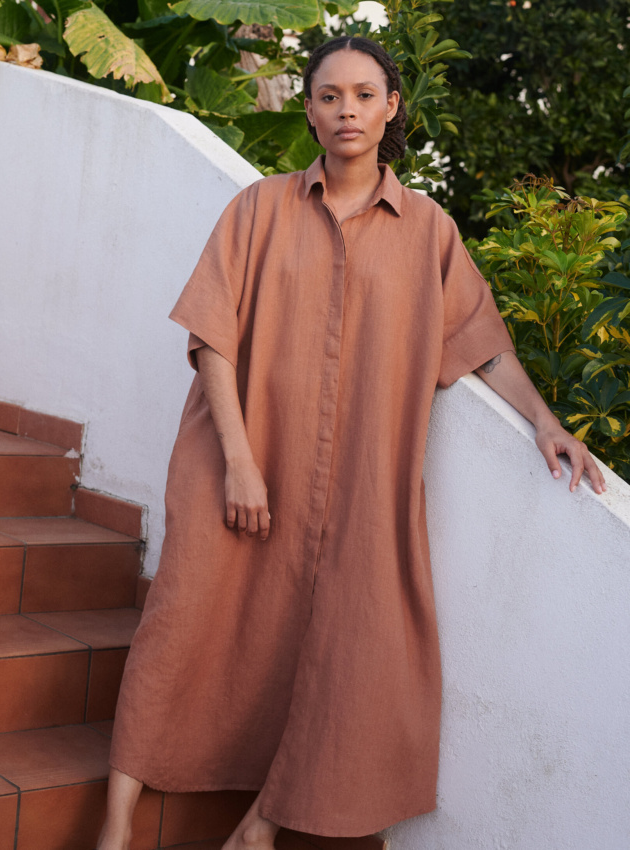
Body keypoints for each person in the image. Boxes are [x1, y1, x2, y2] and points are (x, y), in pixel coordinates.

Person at [97, 35, 606, 850]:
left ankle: (260, 825)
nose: (347, 111)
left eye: (365, 95)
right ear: (308, 108)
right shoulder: (259, 208)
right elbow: (211, 339)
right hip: (236, 456)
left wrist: (545, 421)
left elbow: (482, 343)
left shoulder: (428, 231)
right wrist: (238, 462)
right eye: (330, 96)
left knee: (353, 639)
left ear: (392, 106)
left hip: (359, 483)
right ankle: (114, 829)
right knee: (183, 622)